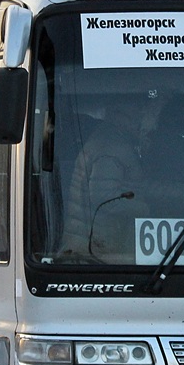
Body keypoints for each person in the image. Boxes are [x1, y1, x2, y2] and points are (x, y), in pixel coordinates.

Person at [59, 99, 145, 260]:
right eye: (136, 116)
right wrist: (146, 209)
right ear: (120, 116)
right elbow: (104, 199)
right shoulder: (112, 148)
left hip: (90, 243)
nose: (141, 122)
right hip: (97, 249)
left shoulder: (109, 139)